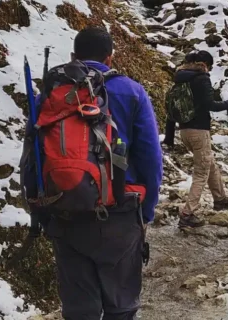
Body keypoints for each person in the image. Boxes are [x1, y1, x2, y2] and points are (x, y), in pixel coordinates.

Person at [44, 27, 163, 320]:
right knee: (120, 308)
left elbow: (32, 157)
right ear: (110, 58)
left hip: (65, 212)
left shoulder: (51, 94)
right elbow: (150, 158)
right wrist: (145, 214)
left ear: (73, 56)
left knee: (79, 310)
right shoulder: (131, 91)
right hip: (120, 214)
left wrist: (43, 213)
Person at [163, 50, 228, 228]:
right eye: (210, 66)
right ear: (204, 64)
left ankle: (221, 199)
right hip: (199, 131)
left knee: (209, 163)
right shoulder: (201, 78)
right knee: (201, 172)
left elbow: (171, 109)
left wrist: (169, 138)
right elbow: (210, 105)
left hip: (184, 132)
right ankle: (187, 213)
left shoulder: (180, 79)